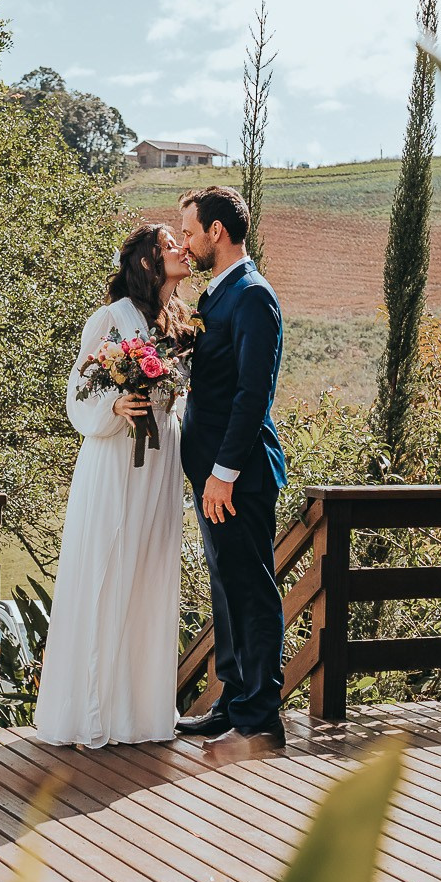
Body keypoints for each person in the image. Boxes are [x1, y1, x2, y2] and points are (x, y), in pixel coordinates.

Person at [33, 224, 196, 746]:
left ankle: (140, 714)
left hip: (161, 460)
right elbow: (78, 394)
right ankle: (93, 711)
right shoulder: (112, 318)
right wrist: (116, 403)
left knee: (149, 572)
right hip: (116, 459)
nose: (182, 249)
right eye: (169, 245)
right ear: (148, 262)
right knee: (107, 568)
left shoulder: (179, 322)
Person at [172, 185, 288, 757]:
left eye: (189, 232)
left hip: (237, 476)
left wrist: (223, 473)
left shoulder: (252, 297)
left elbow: (252, 395)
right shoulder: (217, 295)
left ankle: (261, 718)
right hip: (213, 474)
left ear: (216, 231)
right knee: (226, 588)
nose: (185, 243)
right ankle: (233, 700)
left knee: (251, 590)